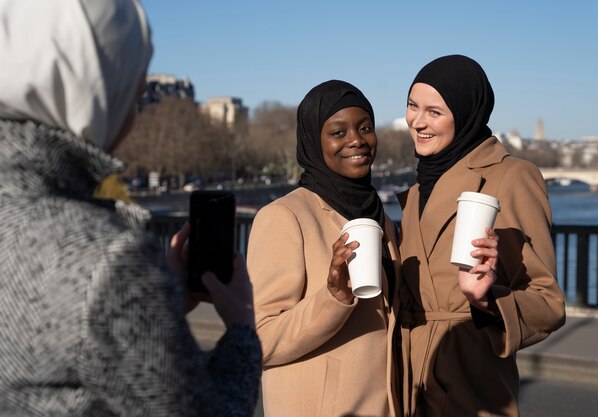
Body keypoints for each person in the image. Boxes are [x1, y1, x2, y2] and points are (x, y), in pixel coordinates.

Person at [0, 0, 261, 416]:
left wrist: (158, 305)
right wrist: (244, 330)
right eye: (134, 93)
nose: (136, 113)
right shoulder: (108, 259)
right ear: (98, 91)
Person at [396, 54, 566, 417]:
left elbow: (547, 303)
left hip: (469, 388)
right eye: (412, 106)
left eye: (434, 111)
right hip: (407, 385)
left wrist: (488, 299)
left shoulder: (512, 177)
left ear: (466, 112)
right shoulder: (415, 192)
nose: (418, 121)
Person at [246, 80, 402, 417]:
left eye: (365, 128)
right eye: (338, 132)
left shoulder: (382, 219)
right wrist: (332, 299)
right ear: (313, 142)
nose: (356, 140)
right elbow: (259, 341)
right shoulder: (284, 217)